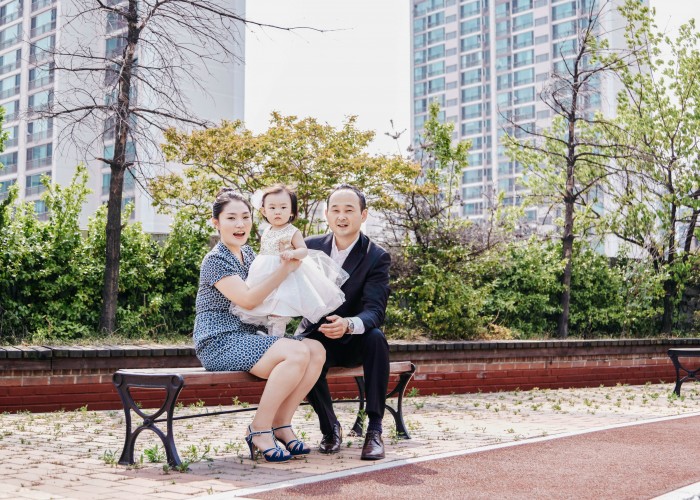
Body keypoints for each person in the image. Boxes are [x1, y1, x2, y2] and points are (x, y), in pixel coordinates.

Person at [193, 188, 326, 463]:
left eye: (245, 217)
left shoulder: (251, 254)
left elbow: (275, 293)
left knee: (316, 350)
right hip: (219, 341)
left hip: (249, 336)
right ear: (216, 222)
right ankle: (259, 429)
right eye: (231, 218)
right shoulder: (216, 260)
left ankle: (282, 424)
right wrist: (284, 269)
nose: (240, 224)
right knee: (296, 352)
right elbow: (249, 300)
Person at [297, 184, 391, 461]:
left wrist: (349, 324)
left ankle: (374, 430)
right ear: (326, 214)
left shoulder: (376, 256)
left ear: (363, 215)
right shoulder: (309, 247)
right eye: (335, 210)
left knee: (377, 339)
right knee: (304, 350)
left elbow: (375, 310)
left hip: (355, 340)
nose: (341, 216)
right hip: (318, 335)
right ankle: (330, 429)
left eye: (349, 210)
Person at [231, 184, 348, 337]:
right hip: (265, 272)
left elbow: (303, 250)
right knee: (265, 305)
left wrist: (292, 253)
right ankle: (269, 335)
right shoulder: (267, 230)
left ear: (291, 211)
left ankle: (277, 338)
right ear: (264, 211)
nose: (277, 211)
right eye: (272, 208)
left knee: (280, 310)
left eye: (283, 207)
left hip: (285, 275)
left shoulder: (292, 231)